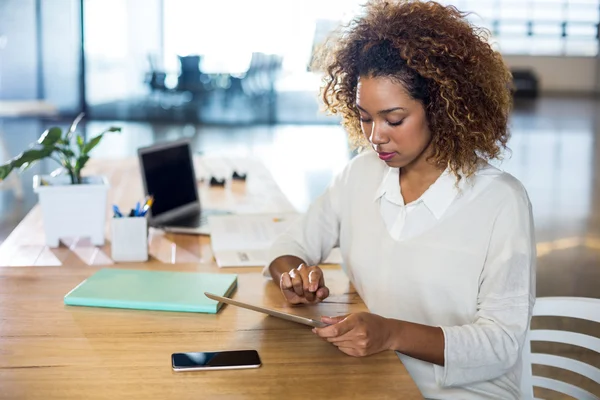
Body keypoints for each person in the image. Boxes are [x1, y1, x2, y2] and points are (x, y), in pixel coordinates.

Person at [264, 1, 536, 399]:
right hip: (376, 376)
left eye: (393, 119)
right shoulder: (360, 175)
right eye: (364, 116)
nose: (375, 136)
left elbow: (500, 345)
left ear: (441, 108)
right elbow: (288, 246)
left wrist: (391, 332)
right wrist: (293, 277)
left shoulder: (500, 201)